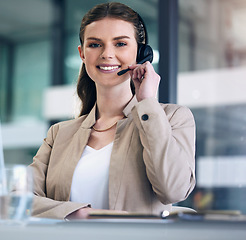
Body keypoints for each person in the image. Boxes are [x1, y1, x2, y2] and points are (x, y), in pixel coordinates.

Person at [29, 2, 196, 220]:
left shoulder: (172, 118)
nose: (107, 54)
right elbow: (17, 198)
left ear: (141, 53)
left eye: (120, 44)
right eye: (95, 44)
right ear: (82, 53)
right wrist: (77, 213)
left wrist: (146, 102)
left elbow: (173, 190)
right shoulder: (59, 134)